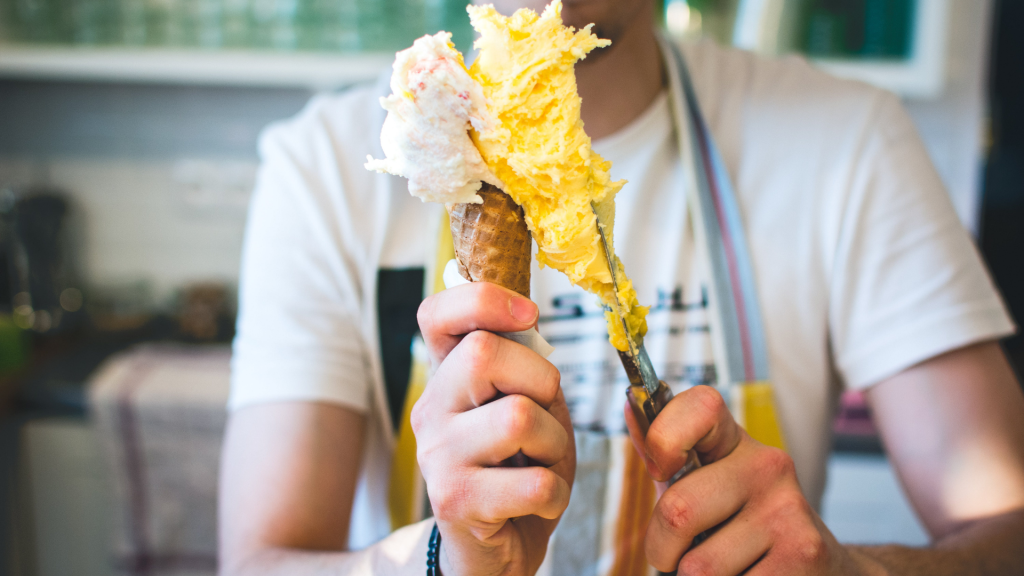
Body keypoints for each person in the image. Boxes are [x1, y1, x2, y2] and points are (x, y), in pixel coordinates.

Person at [217, 0, 1024, 574]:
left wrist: (850, 573)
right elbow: (258, 560)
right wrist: (435, 560)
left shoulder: (847, 142)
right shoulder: (324, 168)